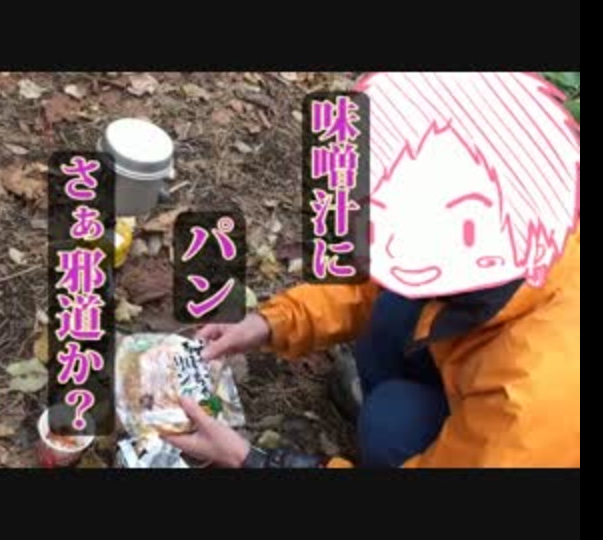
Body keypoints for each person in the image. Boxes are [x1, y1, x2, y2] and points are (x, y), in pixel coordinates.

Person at [163, 72, 580, 468]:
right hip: (480, 354)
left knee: (390, 426)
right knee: (393, 309)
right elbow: (369, 281)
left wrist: (250, 458)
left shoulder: (529, 405)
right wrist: (270, 323)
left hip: (522, 431)